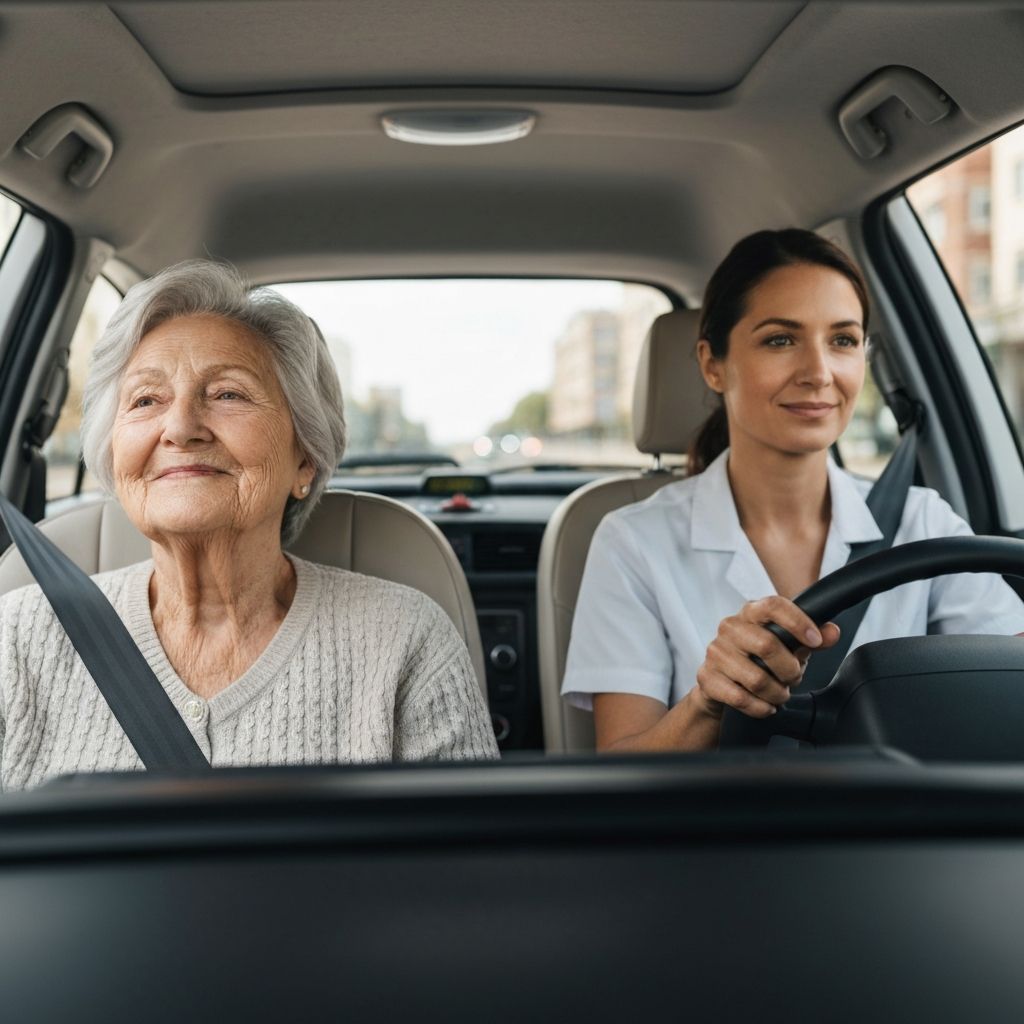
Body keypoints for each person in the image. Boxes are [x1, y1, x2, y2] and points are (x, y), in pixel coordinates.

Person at [0, 260, 497, 789]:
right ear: (114, 456)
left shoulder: (405, 641)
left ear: (304, 458)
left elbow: (471, 866)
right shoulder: (16, 639)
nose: (181, 427)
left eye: (227, 394)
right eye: (145, 400)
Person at [561, 228, 1024, 752]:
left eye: (843, 340)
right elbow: (619, 770)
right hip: (719, 832)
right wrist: (707, 702)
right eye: (781, 340)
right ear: (713, 364)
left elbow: (1011, 676)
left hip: (895, 825)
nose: (819, 373)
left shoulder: (924, 522)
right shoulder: (633, 541)